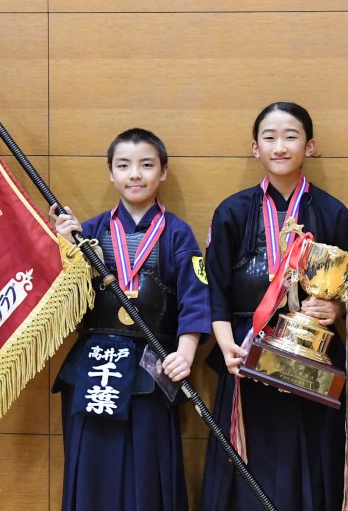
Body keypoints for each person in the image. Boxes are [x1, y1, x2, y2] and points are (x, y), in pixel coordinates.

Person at [200, 102, 348, 510]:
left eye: (291, 136)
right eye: (270, 137)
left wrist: (337, 312)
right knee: (247, 471)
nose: (281, 146)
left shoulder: (333, 211)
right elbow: (215, 290)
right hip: (245, 354)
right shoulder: (232, 212)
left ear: (311, 145)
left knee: (309, 460)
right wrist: (226, 347)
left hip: (312, 361)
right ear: (255, 148)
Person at [49, 128, 211, 511]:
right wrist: (65, 248)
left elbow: (195, 299)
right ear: (110, 172)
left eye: (146, 165)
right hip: (91, 367)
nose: (134, 174)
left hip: (150, 368)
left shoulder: (177, 234)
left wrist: (185, 353)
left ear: (163, 172)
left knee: (147, 468)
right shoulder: (88, 232)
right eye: (124, 165)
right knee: (92, 467)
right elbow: (59, 298)